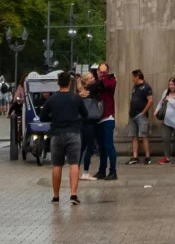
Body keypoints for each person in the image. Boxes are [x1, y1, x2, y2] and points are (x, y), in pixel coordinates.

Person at [43, 74, 86, 203]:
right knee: (74, 163)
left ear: (58, 83)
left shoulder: (51, 99)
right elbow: (85, 114)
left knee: (57, 165)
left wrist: (54, 119)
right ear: (69, 83)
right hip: (73, 132)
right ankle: (73, 194)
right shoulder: (76, 98)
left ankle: (56, 196)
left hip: (56, 134)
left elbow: (42, 117)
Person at [91, 62, 119, 180]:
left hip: (108, 117)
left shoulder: (110, 80)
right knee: (101, 146)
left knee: (109, 145)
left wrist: (102, 76)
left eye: (104, 71)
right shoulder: (96, 82)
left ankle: (113, 171)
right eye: (100, 71)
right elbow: (91, 88)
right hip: (98, 117)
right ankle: (102, 170)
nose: (101, 73)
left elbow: (108, 85)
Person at [127, 69, 153, 165]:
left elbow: (150, 100)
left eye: (133, 77)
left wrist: (143, 112)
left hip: (141, 115)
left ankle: (147, 156)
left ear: (137, 77)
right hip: (132, 114)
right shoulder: (134, 87)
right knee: (134, 136)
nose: (132, 79)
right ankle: (135, 157)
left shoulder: (146, 87)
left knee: (143, 136)